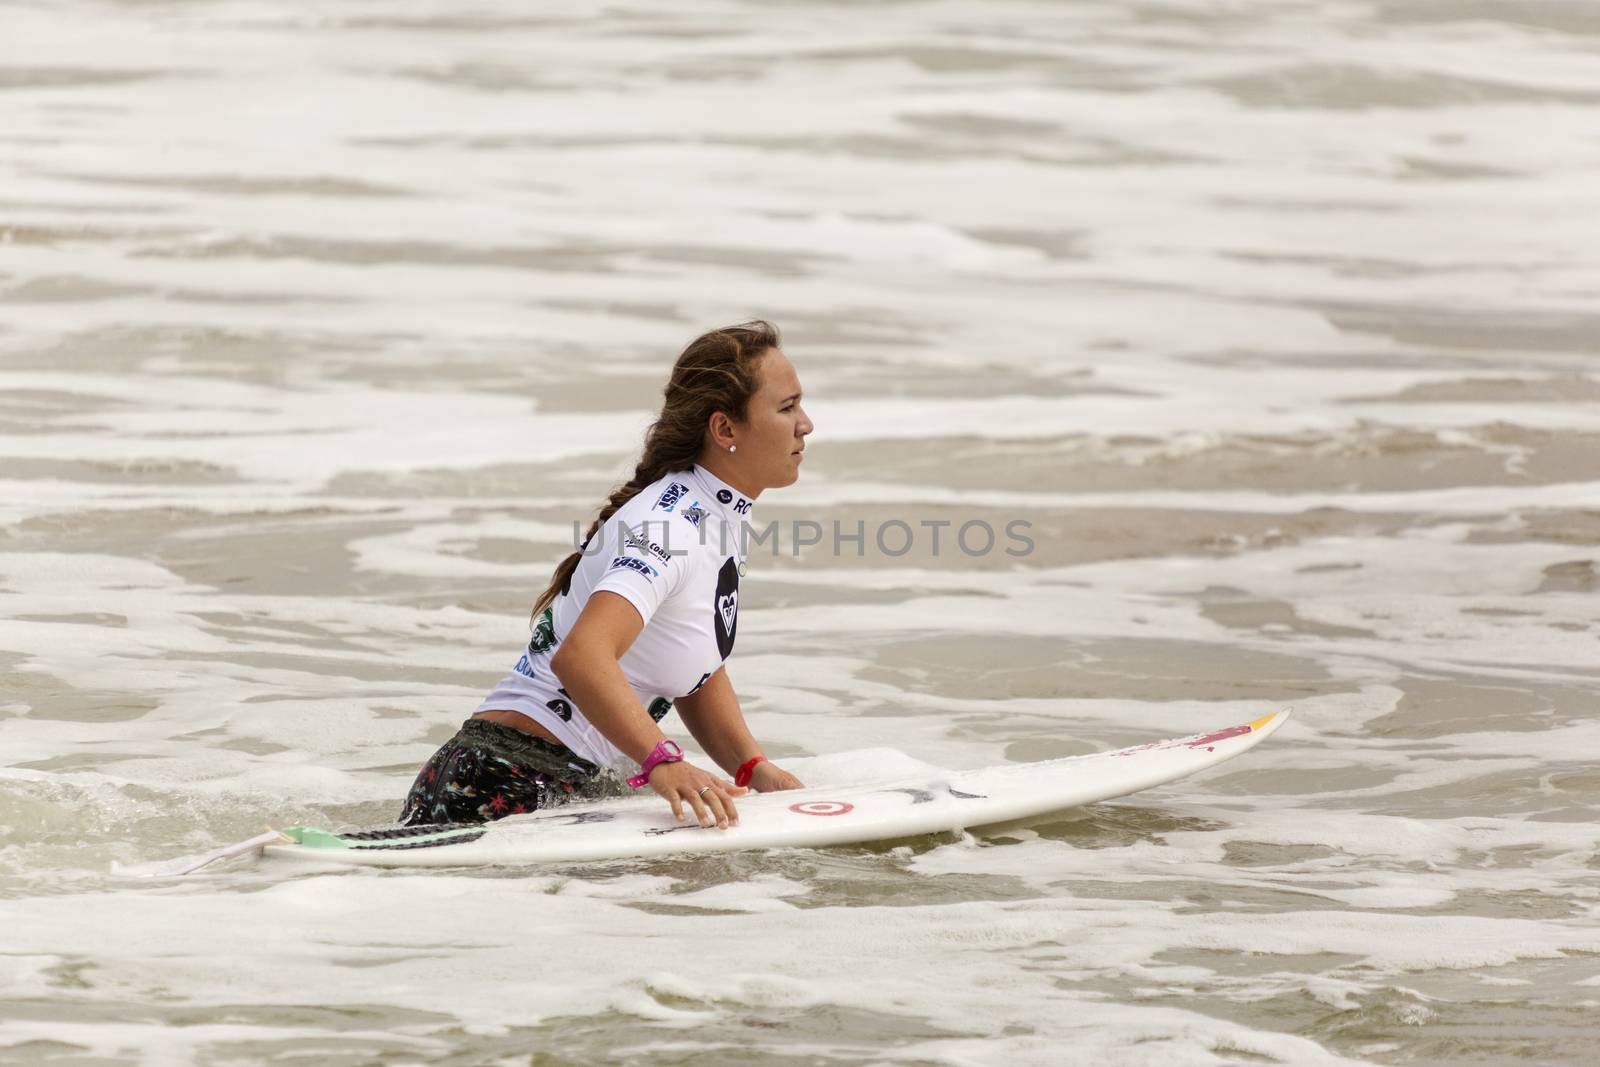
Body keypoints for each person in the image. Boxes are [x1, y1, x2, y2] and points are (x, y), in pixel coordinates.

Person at [399, 320, 813, 831]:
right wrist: (662, 760)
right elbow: (582, 655)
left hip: (559, 781)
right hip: (504, 783)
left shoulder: (714, 513)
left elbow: (691, 662)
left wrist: (751, 767)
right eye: (787, 407)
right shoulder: (667, 528)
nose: (806, 425)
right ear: (725, 429)